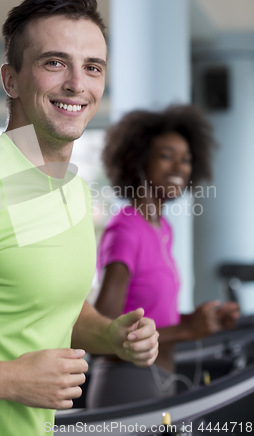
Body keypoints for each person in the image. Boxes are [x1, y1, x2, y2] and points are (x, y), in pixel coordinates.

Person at [0, 0, 159, 436]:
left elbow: (53, 311)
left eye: (92, 67)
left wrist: (111, 336)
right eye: (54, 62)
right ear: (11, 79)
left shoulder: (71, 191)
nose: (76, 84)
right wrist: (7, 380)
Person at [87, 104, 240, 408]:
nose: (180, 167)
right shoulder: (126, 231)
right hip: (127, 387)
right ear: (139, 160)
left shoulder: (162, 228)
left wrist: (201, 321)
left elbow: (154, 318)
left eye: (186, 160)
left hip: (161, 382)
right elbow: (102, 337)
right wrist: (187, 330)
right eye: (167, 156)